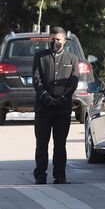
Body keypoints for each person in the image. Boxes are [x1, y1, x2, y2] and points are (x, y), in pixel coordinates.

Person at [32, 27, 79, 185]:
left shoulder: (72, 58)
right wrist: (46, 97)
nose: (54, 42)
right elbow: (36, 80)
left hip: (62, 109)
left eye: (58, 39)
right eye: (52, 39)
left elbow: (73, 82)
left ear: (64, 41)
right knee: (41, 144)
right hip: (43, 108)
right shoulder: (40, 57)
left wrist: (63, 98)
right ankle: (40, 175)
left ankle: (60, 176)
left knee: (60, 144)